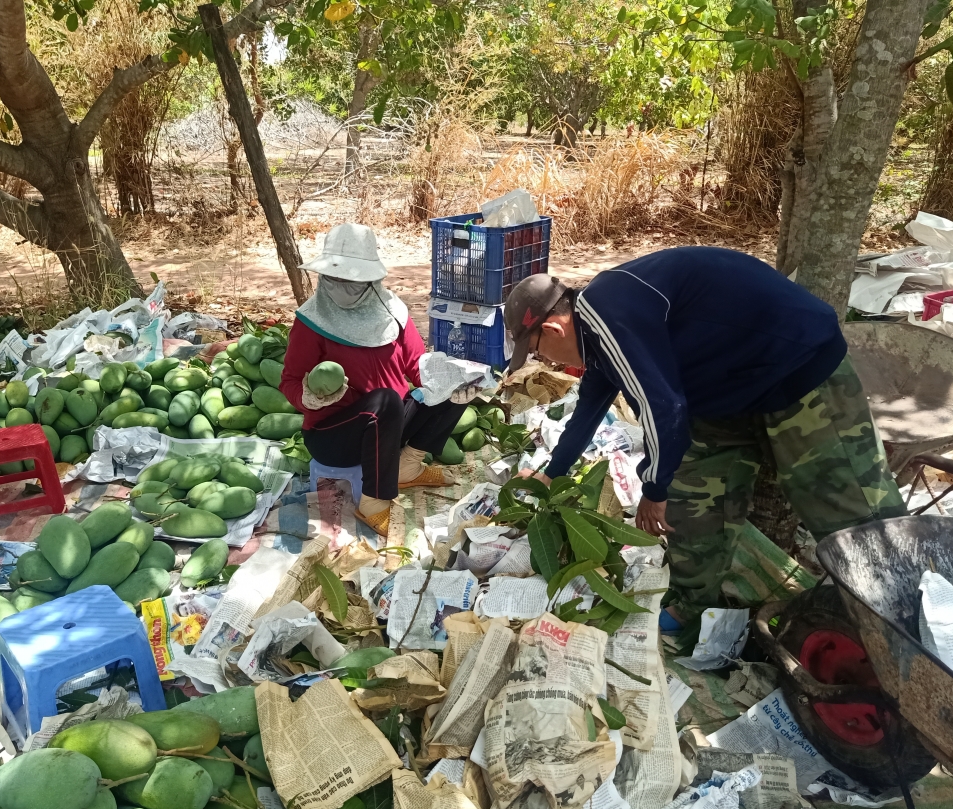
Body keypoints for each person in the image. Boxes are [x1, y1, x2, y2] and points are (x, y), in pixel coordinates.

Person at [503, 247, 906, 630]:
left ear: (554, 327)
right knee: (694, 493)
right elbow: (591, 405)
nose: (547, 362)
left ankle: (902, 613)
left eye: (538, 351)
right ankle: (697, 603)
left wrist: (654, 488)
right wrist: (552, 473)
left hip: (795, 364)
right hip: (729, 388)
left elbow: (665, 408)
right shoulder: (599, 332)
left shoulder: (606, 311)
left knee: (848, 509)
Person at [280, 223, 468, 537]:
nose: (340, 285)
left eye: (350, 279)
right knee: (385, 401)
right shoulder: (311, 321)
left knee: (451, 379)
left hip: (388, 428)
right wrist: (307, 397)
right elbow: (289, 380)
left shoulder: (393, 311)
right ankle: (373, 500)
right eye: (333, 277)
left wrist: (451, 382)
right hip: (335, 436)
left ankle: (408, 465)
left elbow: (417, 367)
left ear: (370, 279)